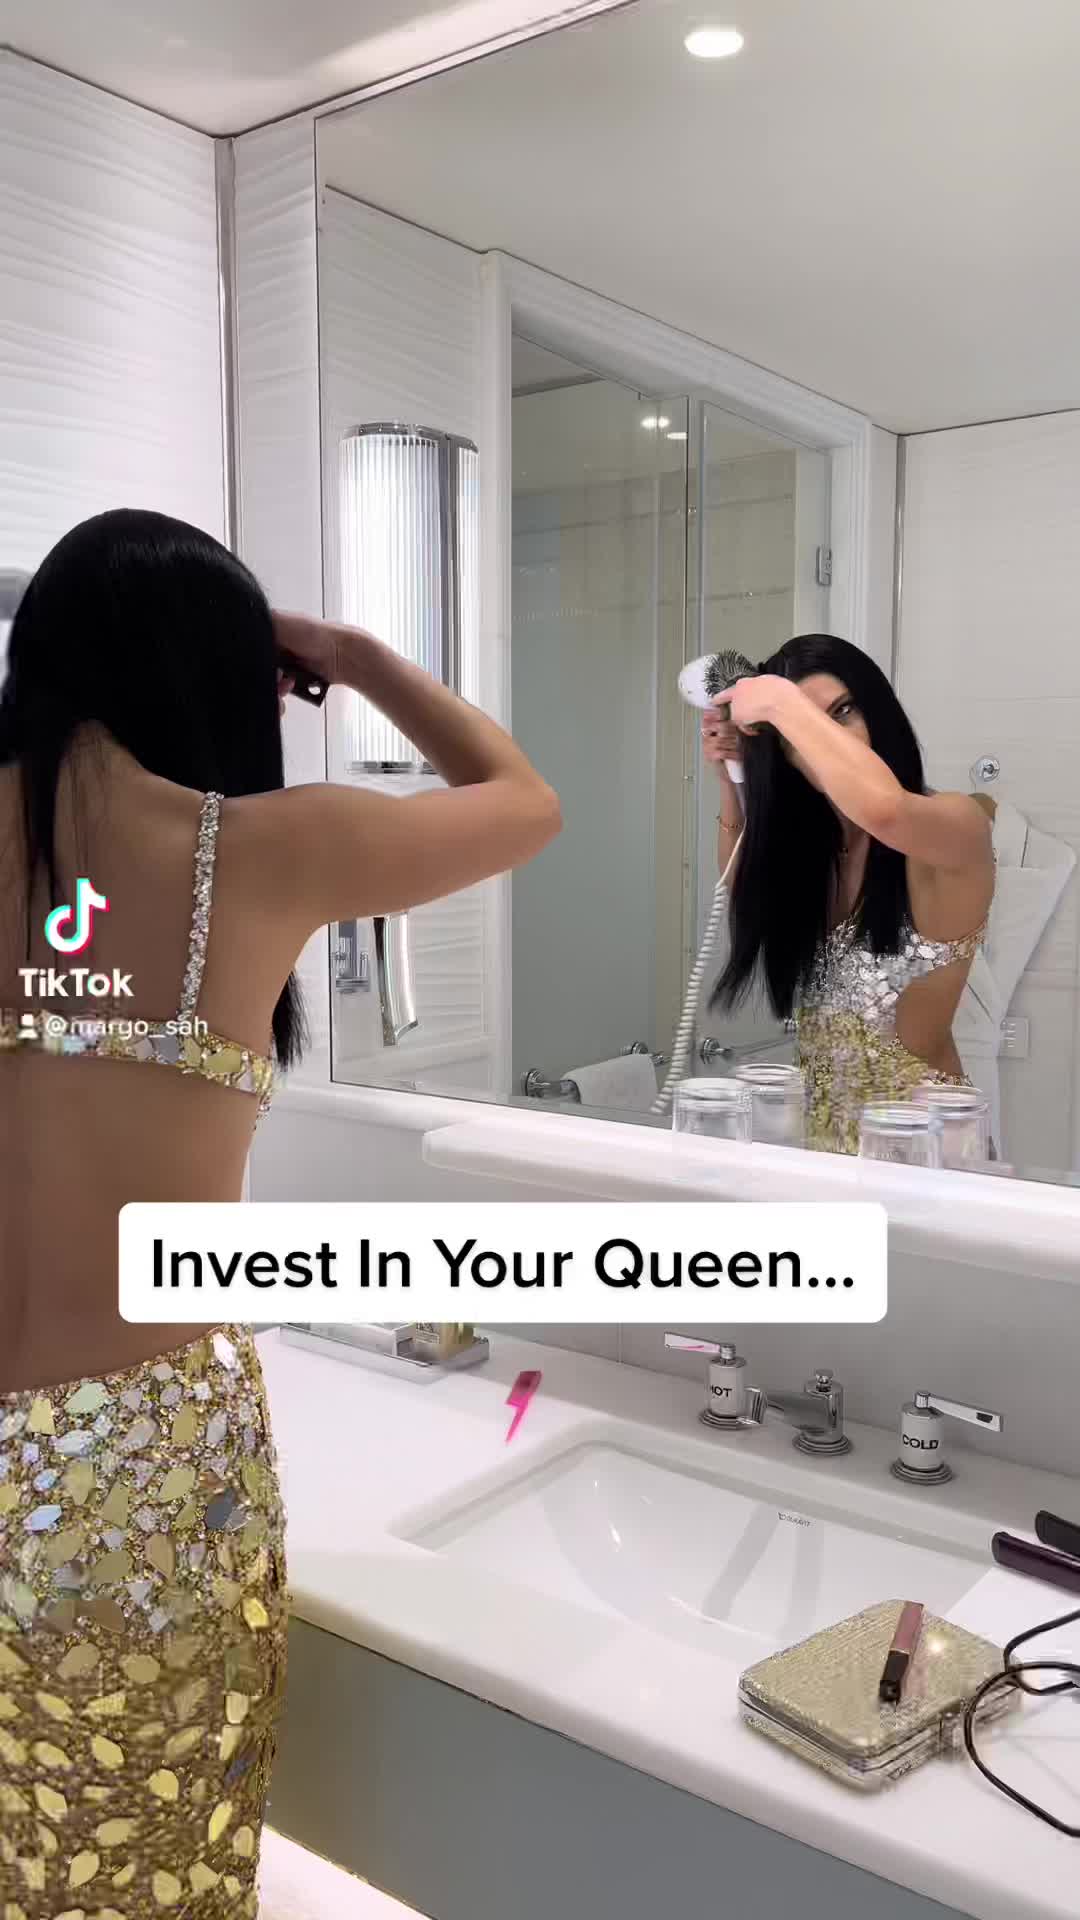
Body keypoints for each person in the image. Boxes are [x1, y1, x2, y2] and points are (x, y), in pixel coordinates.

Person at [0, 508, 561, 1916]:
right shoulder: (257, 851)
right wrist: (353, 655)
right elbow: (522, 800)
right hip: (142, 1465)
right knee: (139, 1860)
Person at [702, 633, 994, 1154]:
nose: (828, 738)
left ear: (878, 713)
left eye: (842, 711)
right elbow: (741, 882)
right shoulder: (816, 856)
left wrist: (783, 706)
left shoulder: (955, 824)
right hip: (825, 1150)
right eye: (800, 730)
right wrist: (735, 781)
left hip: (926, 1153)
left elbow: (886, 810)